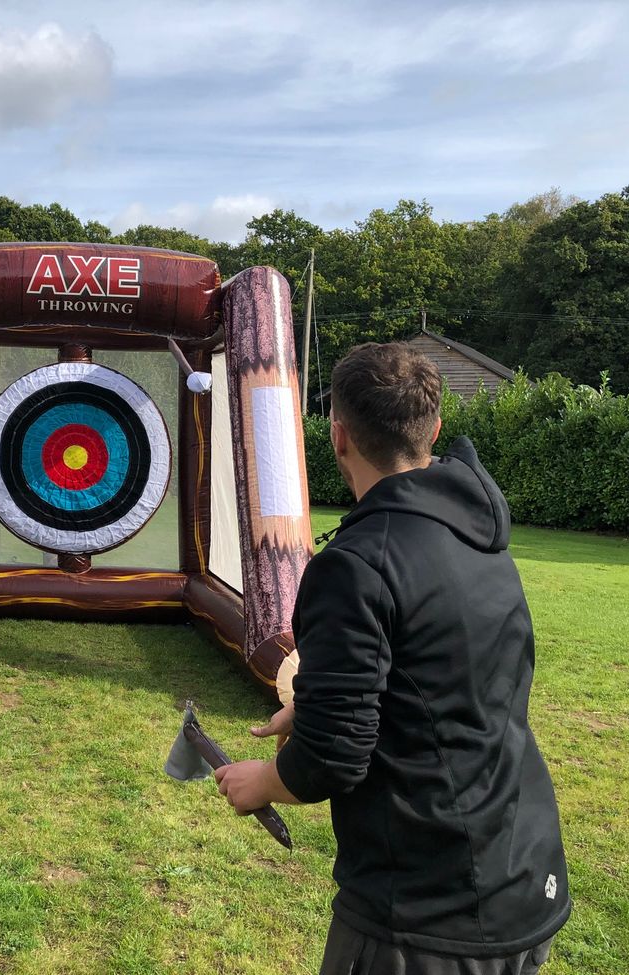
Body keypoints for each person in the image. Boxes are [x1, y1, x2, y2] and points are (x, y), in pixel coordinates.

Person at [214, 342, 570, 974]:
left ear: (338, 436)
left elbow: (333, 758)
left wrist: (261, 782)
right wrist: (318, 701)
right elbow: (445, 672)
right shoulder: (480, 535)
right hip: (523, 872)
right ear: (434, 430)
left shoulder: (355, 566)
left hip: (428, 916)